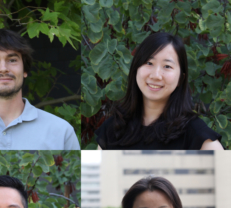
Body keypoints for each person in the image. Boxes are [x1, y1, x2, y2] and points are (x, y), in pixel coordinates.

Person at [95, 32, 224, 150]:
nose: (156, 75)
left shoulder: (196, 136)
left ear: (181, 78)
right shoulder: (112, 129)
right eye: (149, 63)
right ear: (136, 69)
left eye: (167, 66)